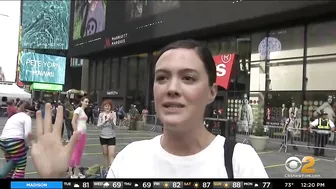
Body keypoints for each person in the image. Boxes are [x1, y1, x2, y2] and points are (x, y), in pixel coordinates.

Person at [29, 39, 268, 179]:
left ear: (211, 92)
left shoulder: (239, 163)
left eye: (188, 78)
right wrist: (53, 180)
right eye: (162, 78)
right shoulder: (130, 159)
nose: (172, 88)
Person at [0, 101, 34, 178]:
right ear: (29, 112)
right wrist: (26, 145)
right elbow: (27, 134)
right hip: (15, 142)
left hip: (3, 141)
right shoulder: (27, 117)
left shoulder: (14, 116)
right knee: (21, 166)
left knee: (11, 165)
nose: (32, 116)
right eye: (32, 114)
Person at [68, 97, 89, 178]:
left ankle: (77, 171)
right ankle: (70, 171)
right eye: (86, 101)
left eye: (88, 102)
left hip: (83, 134)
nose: (87, 103)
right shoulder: (78, 109)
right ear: (81, 102)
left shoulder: (83, 111)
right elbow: (73, 121)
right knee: (76, 153)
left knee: (79, 153)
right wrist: (76, 132)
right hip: (79, 133)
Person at [97, 100, 117, 173]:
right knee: (105, 154)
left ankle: (112, 171)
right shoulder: (101, 115)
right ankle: (106, 170)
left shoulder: (113, 114)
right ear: (103, 107)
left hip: (111, 136)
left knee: (111, 154)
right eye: (105, 106)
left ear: (111, 107)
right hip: (103, 136)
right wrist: (104, 121)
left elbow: (115, 127)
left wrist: (111, 121)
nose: (107, 107)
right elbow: (98, 126)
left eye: (108, 106)